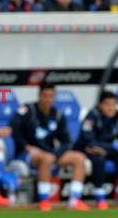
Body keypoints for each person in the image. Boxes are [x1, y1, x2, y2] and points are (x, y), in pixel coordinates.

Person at [10, 83, 91, 211]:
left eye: (51, 96)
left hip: (51, 152)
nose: (48, 99)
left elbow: (66, 141)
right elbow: (14, 129)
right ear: (39, 96)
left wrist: (57, 154)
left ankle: (75, 200)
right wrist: (25, 146)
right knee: (46, 158)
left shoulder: (58, 115)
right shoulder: (28, 110)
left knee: (79, 158)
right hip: (28, 153)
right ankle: (45, 200)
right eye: (45, 96)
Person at [75, 91, 118, 210]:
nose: (111, 108)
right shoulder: (92, 116)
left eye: (113, 104)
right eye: (107, 104)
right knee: (98, 160)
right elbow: (89, 140)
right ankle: (100, 198)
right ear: (100, 105)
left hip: (108, 150)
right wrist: (114, 146)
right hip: (91, 151)